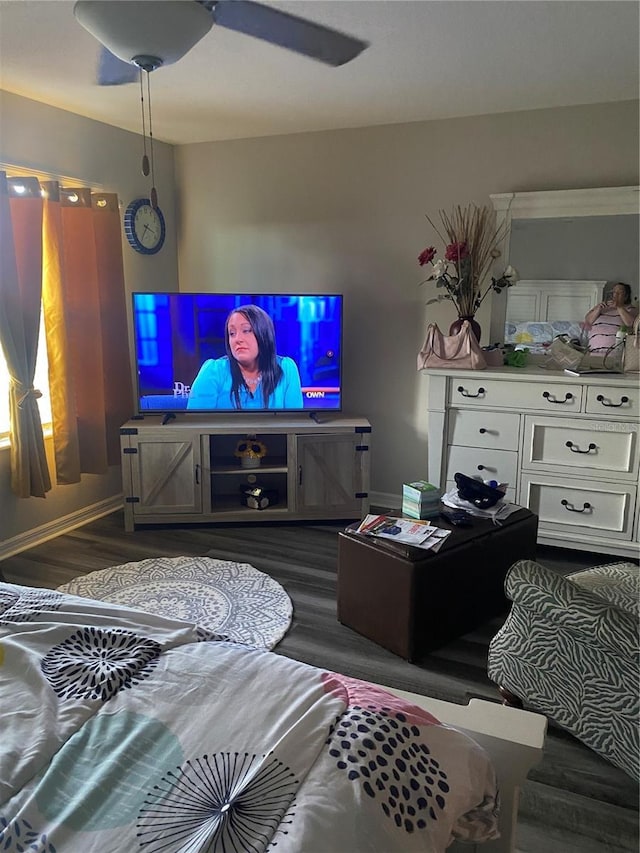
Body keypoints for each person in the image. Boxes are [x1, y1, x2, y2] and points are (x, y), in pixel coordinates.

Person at [187, 304, 304, 410]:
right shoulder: (213, 371)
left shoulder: (286, 369)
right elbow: (195, 426)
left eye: (246, 330)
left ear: (263, 334)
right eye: (232, 333)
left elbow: (294, 425)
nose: (237, 339)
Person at [583, 282, 638, 352]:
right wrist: (598, 309)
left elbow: (631, 323)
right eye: (614, 292)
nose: (615, 295)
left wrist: (619, 307)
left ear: (626, 296)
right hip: (593, 351)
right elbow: (588, 321)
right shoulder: (601, 307)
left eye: (620, 293)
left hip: (615, 352)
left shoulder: (631, 309)